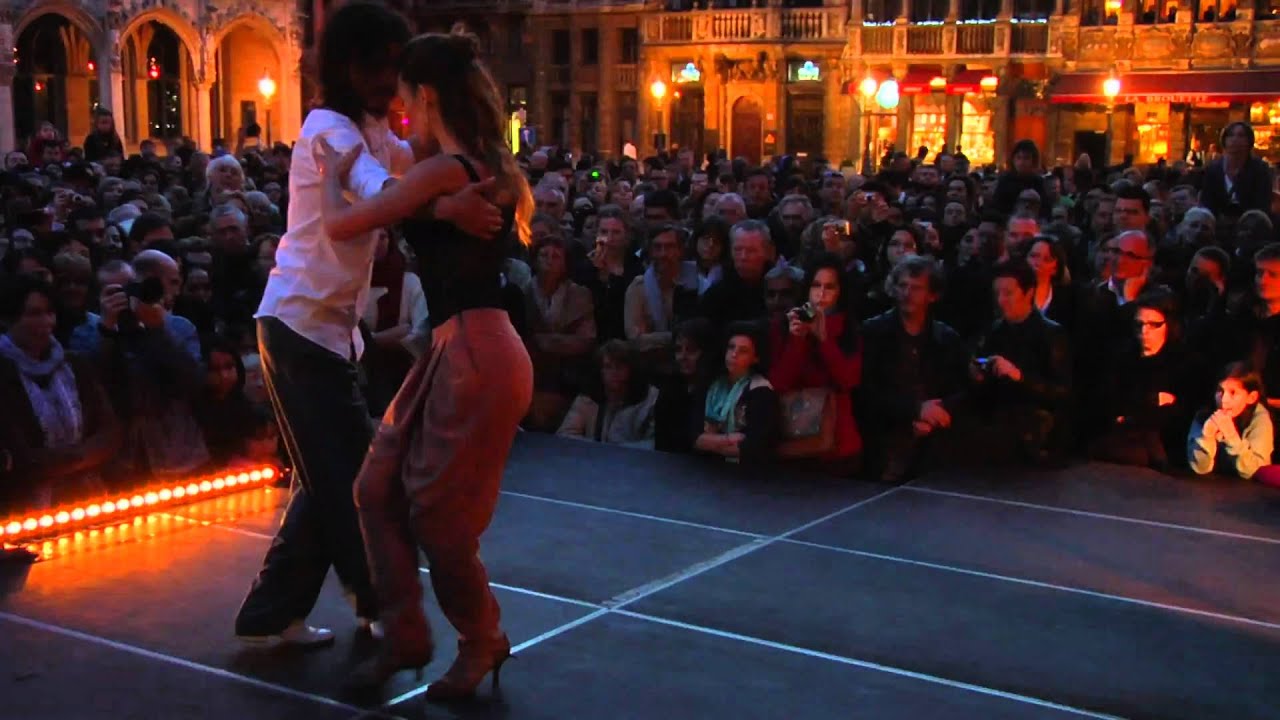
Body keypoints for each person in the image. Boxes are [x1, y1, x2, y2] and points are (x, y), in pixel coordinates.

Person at [235, 2, 499, 650]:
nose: (391, 82)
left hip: (327, 330)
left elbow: (409, 163)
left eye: (397, 70)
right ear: (349, 67)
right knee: (352, 479)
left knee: (324, 481)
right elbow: (378, 189)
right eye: (382, 68)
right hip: (297, 324)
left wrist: (453, 142)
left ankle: (271, 617)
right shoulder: (330, 128)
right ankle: (383, 610)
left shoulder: (375, 128)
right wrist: (447, 209)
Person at [316, 30, 533, 700]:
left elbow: (344, 225)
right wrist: (431, 204)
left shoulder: (447, 167)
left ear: (426, 94)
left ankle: (481, 640)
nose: (399, 104)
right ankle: (404, 632)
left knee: (439, 521)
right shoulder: (455, 163)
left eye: (406, 92)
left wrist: (327, 181)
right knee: (375, 490)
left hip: (474, 352)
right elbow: (405, 179)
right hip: (456, 348)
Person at [1188, 362, 1273, 479]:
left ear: (1251, 397)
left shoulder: (1259, 418)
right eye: (1220, 391)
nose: (1224, 400)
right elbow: (1200, 468)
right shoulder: (1204, 415)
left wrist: (1232, 437)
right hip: (1212, 486)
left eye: (1233, 393)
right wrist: (1206, 437)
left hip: (1250, 492)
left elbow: (1256, 471)